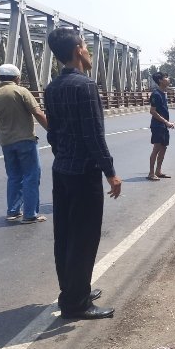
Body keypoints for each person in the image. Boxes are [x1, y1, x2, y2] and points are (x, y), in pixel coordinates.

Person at [44, 27, 122, 320]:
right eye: (86, 47)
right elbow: (94, 136)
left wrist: (64, 157)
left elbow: (53, 134)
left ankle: (73, 289)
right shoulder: (85, 86)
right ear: (78, 49)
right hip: (83, 173)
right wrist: (110, 173)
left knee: (64, 234)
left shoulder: (52, 88)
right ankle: (76, 304)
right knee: (85, 237)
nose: (89, 51)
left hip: (62, 170)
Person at [0, 63, 49, 223]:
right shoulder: (21, 91)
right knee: (31, 176)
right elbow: (37, 112)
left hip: (7, 143)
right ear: (17, 78)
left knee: (14, 176)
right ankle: (30, 214)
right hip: (25, 141)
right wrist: (52, 130)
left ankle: (13, 211)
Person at [147, 71, 175, 181]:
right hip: (157, 126)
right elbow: (152, 111)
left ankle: (158, 171)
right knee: (156, 148)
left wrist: (167, 123)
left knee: (163, 147)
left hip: (163, 125)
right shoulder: (156, 94)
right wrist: (166, 122)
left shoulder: (163, 93)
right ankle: (151, 173)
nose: (168, 79)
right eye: (166, 77)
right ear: (160, 80)